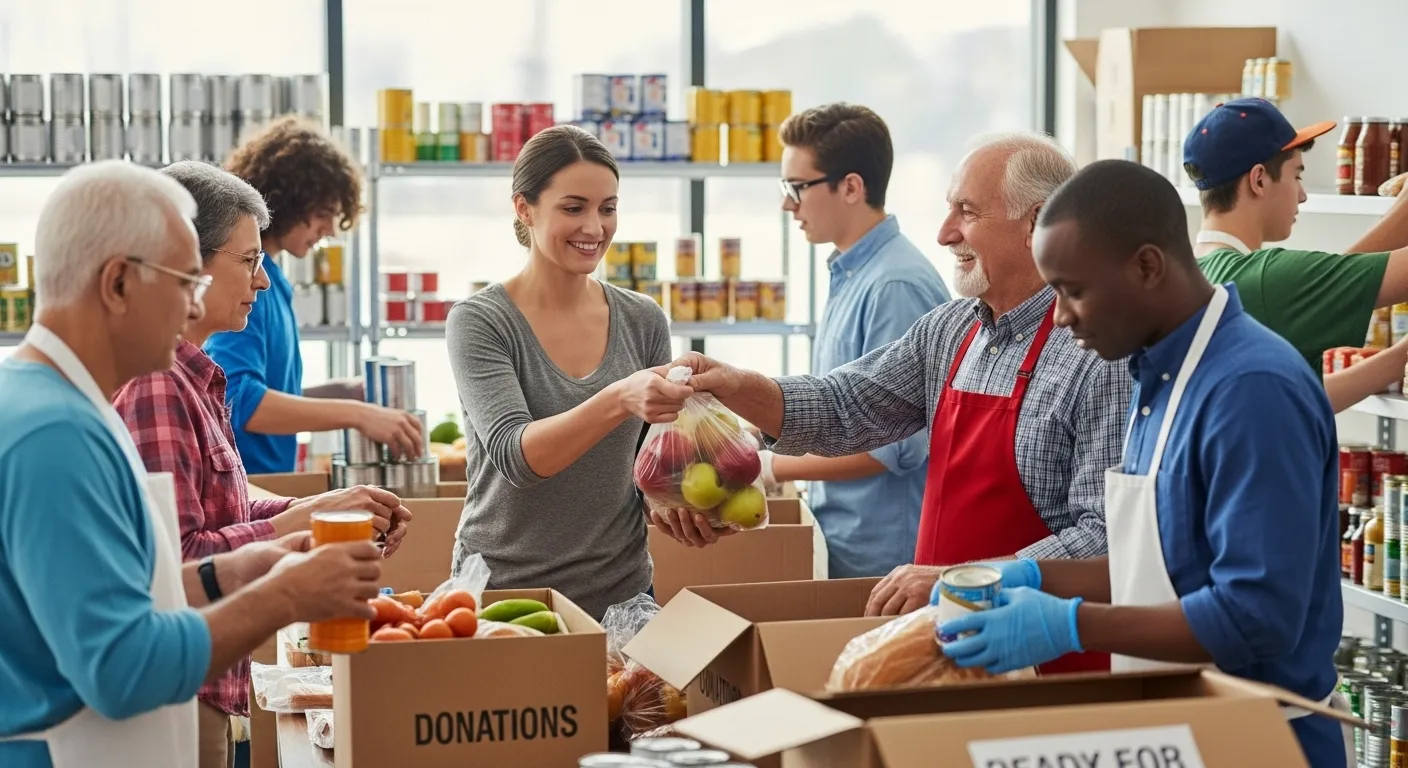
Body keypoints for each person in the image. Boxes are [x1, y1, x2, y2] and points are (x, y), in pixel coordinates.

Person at [655, 133, 1131, 674]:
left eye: (967, 213)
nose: (944, 232)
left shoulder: (1099, 353)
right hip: (945, 638)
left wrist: (964, 578)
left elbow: (1106, 540)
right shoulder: (950, 331)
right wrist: (736, 386)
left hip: (1045, 657)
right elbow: (845, 405)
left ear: (1039, 222)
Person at [938, 159, 1348, 767]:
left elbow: (1256, 616)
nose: (1060, 317)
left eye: (1073, 291)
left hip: (1261, 739)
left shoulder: (1250, 389)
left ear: (1148, 267)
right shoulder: (1155, 376)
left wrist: (1070, 625)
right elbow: (1157, 565)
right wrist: (1021, 578)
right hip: (1182, 729)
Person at [0, 161, 383, 768]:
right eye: (184, 279)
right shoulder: (55, 434)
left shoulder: (57, 404)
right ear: (119, 284)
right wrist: (285, 596)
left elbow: (123, 591)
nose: (194, 299)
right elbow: (121, 667)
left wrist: (235, 570)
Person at [110, 161, 413, 768]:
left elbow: (230, 507)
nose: (264, 282)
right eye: (248, 262)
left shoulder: (198, 379)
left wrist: (320, 513)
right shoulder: (158, 386)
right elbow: (178, 565)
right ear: (188, 260)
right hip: (185, 689)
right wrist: (305, 521)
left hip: (214, 686)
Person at [446, 125, 720, 620]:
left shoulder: (642, 320)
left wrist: (679, 507)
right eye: (573, 208)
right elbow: (517, 457)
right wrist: (619, 397)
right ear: (524, 209)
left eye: (607, 208)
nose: (594, 228)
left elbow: (648, 467)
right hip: (506, 597)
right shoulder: (480, 321)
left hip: (622, 594)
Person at [760, 102, 951, 579]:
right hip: (845, 540)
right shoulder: (853, 273)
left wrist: (773, 466)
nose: (788, 204)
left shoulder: (894, 287)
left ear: (850, 187)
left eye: (797, 188)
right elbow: (835, 402)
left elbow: (893, 447)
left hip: (884, 556)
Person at [207, 115, 423, 474]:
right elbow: (239, 400)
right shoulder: (249, 288)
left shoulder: (273, 282)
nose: (328, 229)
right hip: (250, 483)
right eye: (322, 213)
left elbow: (269, 392)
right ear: (288, 199)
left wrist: (343, 393)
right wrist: (356, 415)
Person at [1185, 97, 1408, 411]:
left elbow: (1294, 397)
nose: (1302, 195)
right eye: (1297, 176)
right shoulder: (1265, 279)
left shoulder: (1201, 274)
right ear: (1259, 179)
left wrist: (1396, 361)